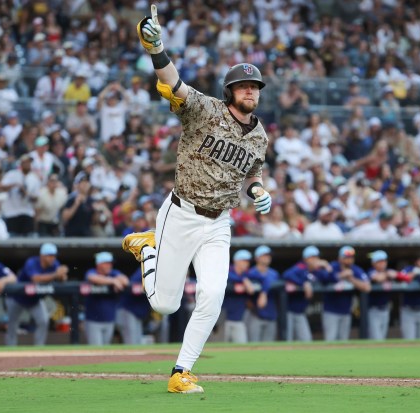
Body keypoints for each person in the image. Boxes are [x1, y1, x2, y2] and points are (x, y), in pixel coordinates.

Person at [121, 5, 271, 394]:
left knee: (213, 294)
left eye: (254, 86)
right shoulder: (206, 110)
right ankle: (148, 249)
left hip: (219, 221)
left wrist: (256, 189)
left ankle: (180, 371)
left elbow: (252, 170)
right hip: (181, 213)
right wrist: (155, 48)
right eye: (243, 86)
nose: (250, 91)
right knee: (164, 305)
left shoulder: (259, 136)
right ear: (230, 91)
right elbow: (174, 84)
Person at [5, 243, 68, 346]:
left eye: (54, 255)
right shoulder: (32, 262)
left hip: (35, 300)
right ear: (42, 256)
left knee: (43, 321)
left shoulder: (55, 264)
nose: (53, 258)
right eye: (50, 255)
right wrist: (56, 274)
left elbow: (62, 278)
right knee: (12, 325)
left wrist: (62, 275)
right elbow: (35, 279)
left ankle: (39, 347)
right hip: (17, 298)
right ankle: (10, 349)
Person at [318, 246, 371, 341]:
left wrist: (351, 278)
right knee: (330, 339)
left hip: (346, 311)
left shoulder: (355, 270)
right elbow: (322, 278)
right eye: (346, 257)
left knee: (343, 341)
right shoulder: (333, 266)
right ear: (339, 258)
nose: (349, 260)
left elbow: (367, 287)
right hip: (330, 311)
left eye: (351, 257)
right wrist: (340, 275)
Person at [282, 246, 332, 342]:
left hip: (300, 312)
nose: (315, 260)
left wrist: (327, 267)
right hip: (289, 311)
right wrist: (303, 283)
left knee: (306, 339)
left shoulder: (317, 271)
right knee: (287, 339)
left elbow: (327, 279)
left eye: (316, 257)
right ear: (306, 258)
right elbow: (287, 274)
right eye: (312, 257)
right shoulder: (301, 267)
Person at [84, 251, 129, 345]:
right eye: (107, 263)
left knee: (105, 349)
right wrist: (113, 281)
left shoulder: (113, 273)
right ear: (99, 264)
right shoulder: (92, 272)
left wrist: (116, 280)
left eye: (110, 263)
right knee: (96, 351)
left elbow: (125, 281)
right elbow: (92, 278)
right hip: (93, 321)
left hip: (110, 320)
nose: (109, 266)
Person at [245, 246, 280, 342]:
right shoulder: (250, 273)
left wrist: (263, 293)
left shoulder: (274, 274)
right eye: (264, 255)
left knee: (268, 348)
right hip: (255, 314)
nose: (267, 258)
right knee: (252, 345)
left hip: (271, 314)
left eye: (268, 256)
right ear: (257, 258)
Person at [366, 250, 402, 340]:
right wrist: (388, 275)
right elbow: (377, 278)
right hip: (373, 309)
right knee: (376, 338)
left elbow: (404, 277)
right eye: (380, 261)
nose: (383, 264)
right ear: (374, 263)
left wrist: (395, 275)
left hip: (385, 308)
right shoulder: (371, 271)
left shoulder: (389, 271)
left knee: (382, 337)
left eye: (384, 261)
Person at [222, 250, 255, 343]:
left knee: (242, 346)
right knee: (219, 347)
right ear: (236, 261)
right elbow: (227, 275)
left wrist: (244, 280)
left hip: (238, 319)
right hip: (222, 320)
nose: (247, 263)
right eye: (244, 261)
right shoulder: (226, 271)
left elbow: (252, 290)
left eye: (248, 261)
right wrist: (242, 280)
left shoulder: (247, 275)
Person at [116, 267, 152, 345]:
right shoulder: (144, 269)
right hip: (127, 311)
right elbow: (130, 286)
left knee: (137, 342)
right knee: (132, 343)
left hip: (136, 313)